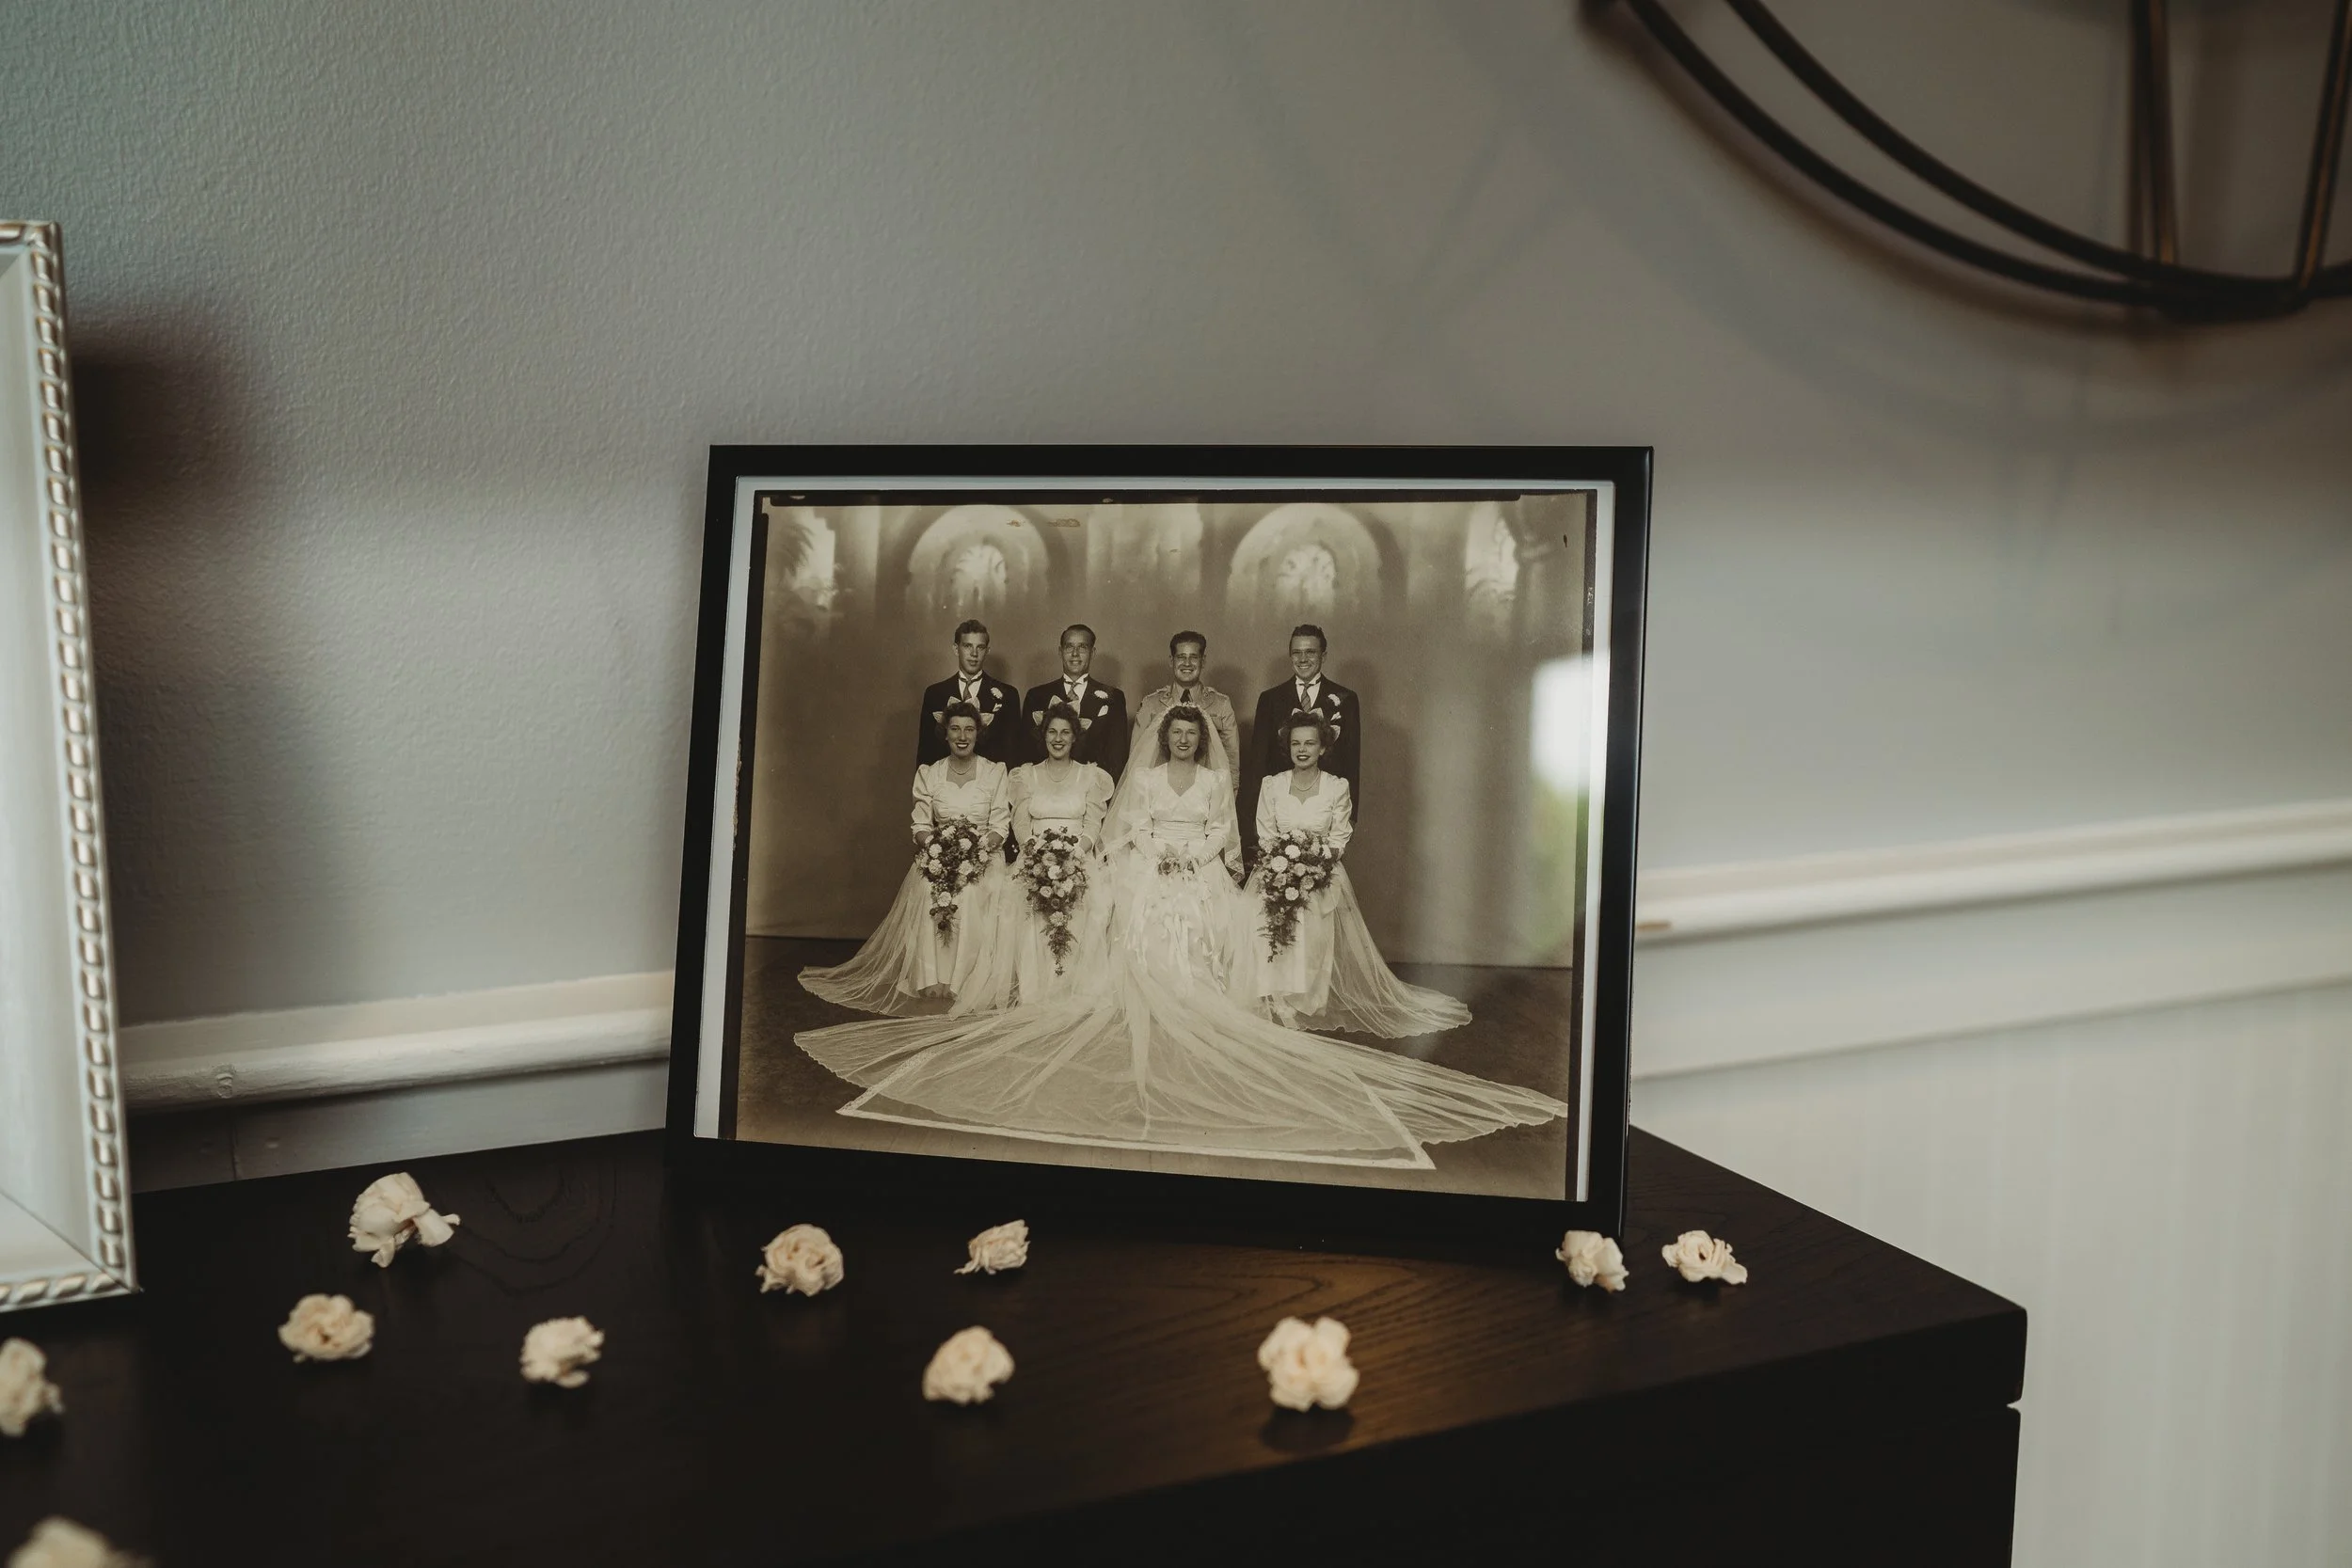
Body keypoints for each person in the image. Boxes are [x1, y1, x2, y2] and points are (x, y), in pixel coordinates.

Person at [790, 705, 1562, 1168]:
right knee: (1139, 914)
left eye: (1194, 738)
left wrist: (1201, 859)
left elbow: (1232, 838)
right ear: (1167, 743)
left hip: (1197, 868)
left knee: (1206, 915)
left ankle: (1212, 993)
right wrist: (1149, 854)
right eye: (1179, 738)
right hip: (1154, 866)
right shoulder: (1149, 780)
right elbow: (1125, 832)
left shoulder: (1223, 786)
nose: (1186, 745)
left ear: (1203, 742)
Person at [1234, 711, 1470, 1037]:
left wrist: (1311, 866)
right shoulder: (1272, 785)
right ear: (1287, 747)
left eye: (1310, 743)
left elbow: (1338, 837)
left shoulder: (1336, 788)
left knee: (1312, 936)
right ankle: (1276, 997)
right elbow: (1266, 831)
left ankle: (1305, 1000)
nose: (1302, 750)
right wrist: (1282, 865)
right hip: (1276, 870)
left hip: (1319, 873)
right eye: (1296, 743)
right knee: (1271, 929)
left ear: (1322, 748)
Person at [801, 703, 1010, 1016]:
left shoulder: (995, 772)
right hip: (941, 855)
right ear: (945, 733)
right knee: (928, 890)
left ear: (978, 733)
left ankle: (965, 980)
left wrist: (974, 851)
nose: (962, 736)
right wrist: (939, 847)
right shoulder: (930, 773)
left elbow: (999, 826)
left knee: (969, 891)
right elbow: (921, 826)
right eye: (955, 729)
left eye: (969, 729)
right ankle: (932, 978)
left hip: (982, 856)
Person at [962, 702, 1116, 1006]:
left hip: (1077, 855)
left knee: (1092, 903)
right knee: (1017, 904)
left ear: (1075, 737)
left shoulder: (1090, 776)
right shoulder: (1025, 776)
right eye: (1052, 732)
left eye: (1065, 733)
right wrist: (1037, 856)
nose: (1058, 739)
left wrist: (1071, 857)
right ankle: (1034, 990)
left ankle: (1073, 988)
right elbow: (1021, 823)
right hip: (1035, 855)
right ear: (1042, 735)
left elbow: (1092, 824)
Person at [1128, 630, 1244, 878]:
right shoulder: (1151, 704)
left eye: (1194, 657)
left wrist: (1222, 804)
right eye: (1181, 657)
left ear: (1203, 661)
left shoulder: (1220, 704)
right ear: (1171, 661)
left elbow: (1231, 762)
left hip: (1202, 807)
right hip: (1158, 802)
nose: (1187, 664)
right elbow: (1136, 758)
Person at [1243, 625, 1359, 864]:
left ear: (1323, 656)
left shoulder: (1346, 699)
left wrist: (1350, 818)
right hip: (1280, 811)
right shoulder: (1270, 699)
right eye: (1297, 652)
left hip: (1323, 812)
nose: (1303, 659)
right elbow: (1258, 762)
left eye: (1310, 652)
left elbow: (1351, 761)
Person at [1019, 624, 1130, 779]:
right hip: (1046, 787)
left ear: (1093, 653)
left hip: (1092, 790)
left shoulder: (1114, 698)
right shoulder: (1037, 696)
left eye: (1082, 647)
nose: (1075, 654)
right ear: (1060, 652)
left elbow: (1117, 756)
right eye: (1069, 647)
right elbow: (1027, 751)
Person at [916, 620, 1021, 767]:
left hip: (991, 785)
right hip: (945, 785)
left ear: (987, 651)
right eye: (967, 646)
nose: (974, 654)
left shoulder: (1008, 695)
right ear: (956, 649)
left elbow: (1013, 754)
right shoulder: (935, 694)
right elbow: (926, 753)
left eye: (980, 647)